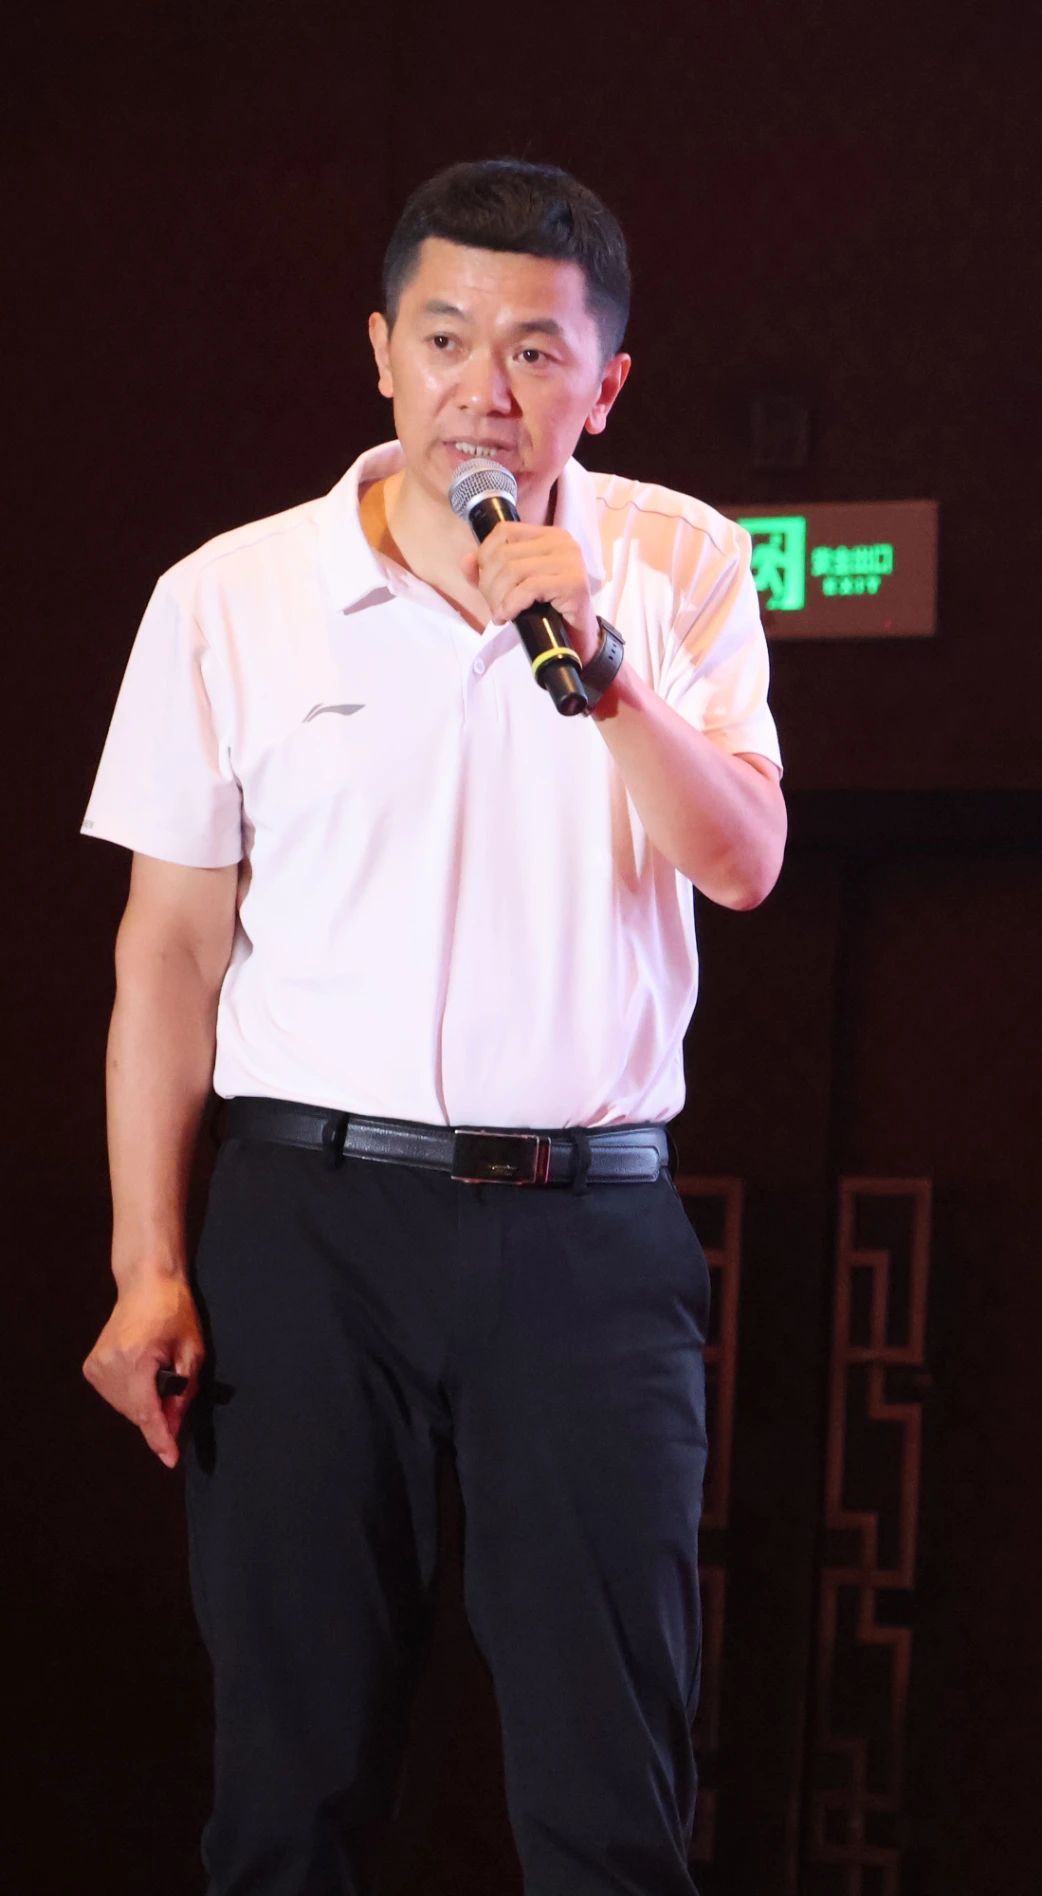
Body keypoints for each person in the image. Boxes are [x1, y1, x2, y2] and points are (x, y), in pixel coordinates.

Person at [80, 157, 785, 1895]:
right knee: (289, 1790)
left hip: (588, 1237)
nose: (488, 385)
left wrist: (599, 665)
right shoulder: (229, 594)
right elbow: (169, 956)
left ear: (605, 385)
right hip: (311, 1230)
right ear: (382, 350)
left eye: (539, 351)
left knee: (613, 1805)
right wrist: (148, 1261)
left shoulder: (677, 561)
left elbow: (744, 861)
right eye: (449, 337)